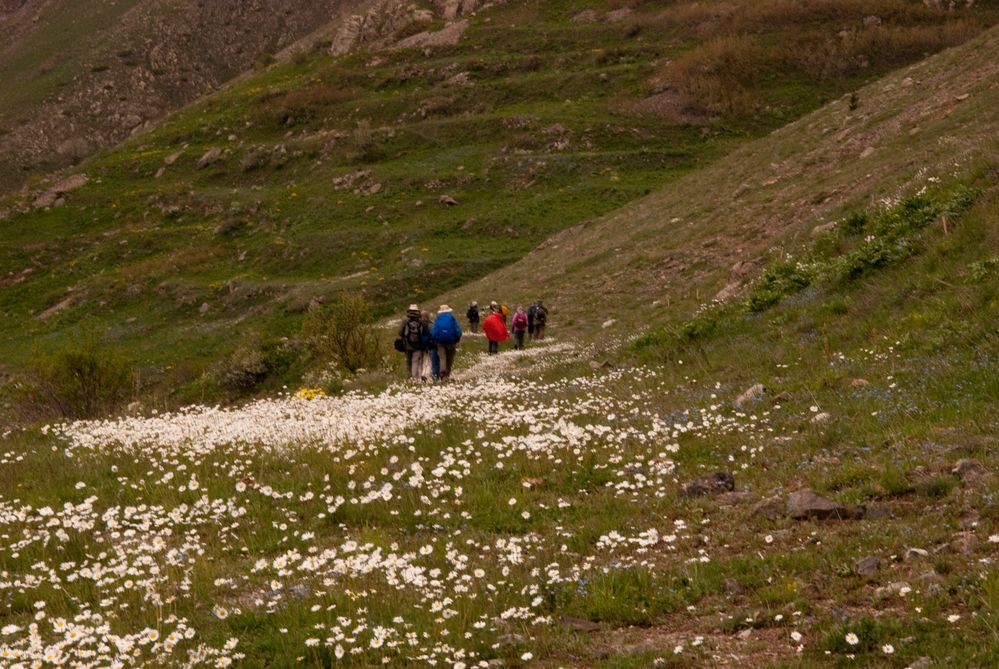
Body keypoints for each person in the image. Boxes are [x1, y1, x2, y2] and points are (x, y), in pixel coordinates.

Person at [431, 304, 462, 381]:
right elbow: (458, 330)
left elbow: (434, 331)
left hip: (440, 342)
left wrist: (435, 339)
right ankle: (447, 374)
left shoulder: (437, 319)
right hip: (451, 341)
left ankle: (442, 373)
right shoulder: (452, 318)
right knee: (450, 358)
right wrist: (457, 337)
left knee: (442, 357)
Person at [398, 304, 429, 380]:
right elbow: (425, 332)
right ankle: (415, 378)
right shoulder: (420, 320)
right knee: (415, 361)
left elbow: (400, 332)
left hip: (407, 344)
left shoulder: (405, 320)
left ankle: (409, 378)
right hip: (418, 345)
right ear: (417, 311)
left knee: (408, 362)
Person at [421, 310, 439, 381]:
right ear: (427, 316)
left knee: (424, 360)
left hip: (420, 346)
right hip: (429, 345)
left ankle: (422, 374)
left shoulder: (419, 324)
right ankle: (426, 375)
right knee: (429, 361)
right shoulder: (430, 324)